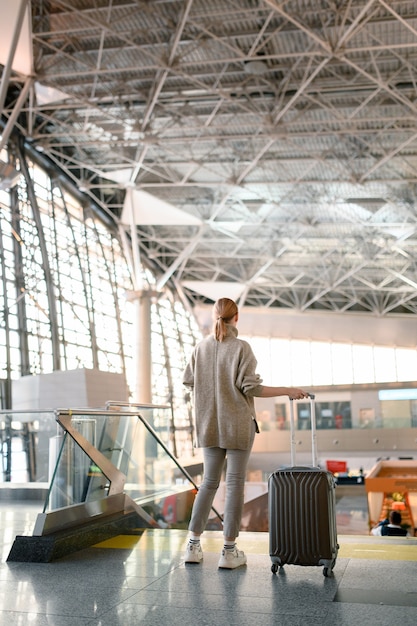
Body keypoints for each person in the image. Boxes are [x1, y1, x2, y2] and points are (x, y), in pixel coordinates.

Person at [182, 297, 309, 569]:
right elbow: (252, 388)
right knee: (235, 483)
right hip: (237, 425)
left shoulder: (199, 348)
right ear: (236, 318)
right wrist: (288, 389)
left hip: (208, 425)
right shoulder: (242, 348)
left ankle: (192, 546)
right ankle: (229, 551)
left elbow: (189, 382)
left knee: (208, 483)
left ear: (215, 317)